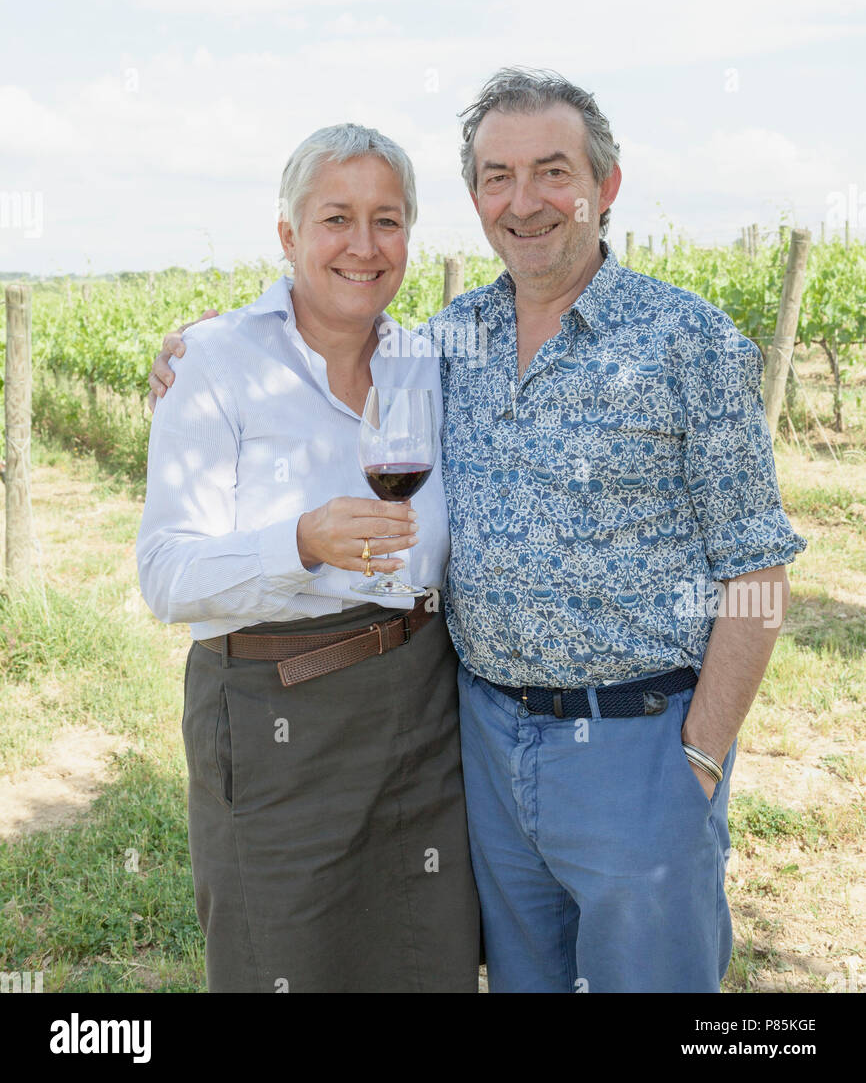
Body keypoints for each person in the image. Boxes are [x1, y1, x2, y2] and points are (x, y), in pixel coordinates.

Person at [149, 68, 807, 994]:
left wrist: (699, 757)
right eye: (498, 175)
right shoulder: (445, 343)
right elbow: (315, 330)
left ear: (606, 186)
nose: (524, 200)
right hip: (485, 749)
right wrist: (198, 349)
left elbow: (760, 567)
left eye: (552, 170)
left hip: (638, 748)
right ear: (474, 198)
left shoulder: (687, 342)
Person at [137, 123, 480, 994]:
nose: (364, 246)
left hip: (421, 708)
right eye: (337, 218)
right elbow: (167, 575)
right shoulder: (213, 364)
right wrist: (298, 542)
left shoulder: (427, 361)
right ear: (288, 235)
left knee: (424, 959)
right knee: (283, 963)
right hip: (274, 716)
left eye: (389, 220)